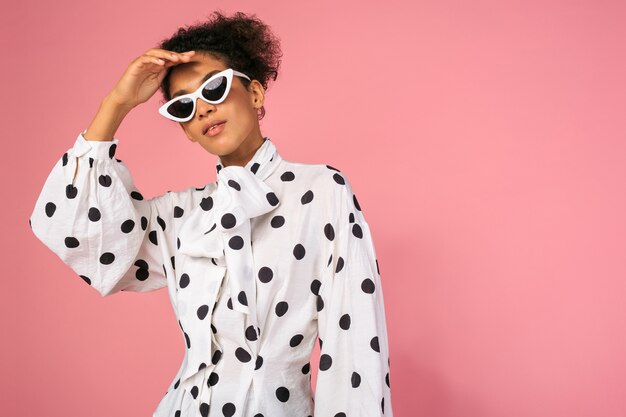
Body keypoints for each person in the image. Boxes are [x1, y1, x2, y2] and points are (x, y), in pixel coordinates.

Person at [29, 10, 393, 417]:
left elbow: (355, 348)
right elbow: (75, 231)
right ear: (185, 128)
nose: (201, 109)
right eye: (183, 106)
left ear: (255, 93)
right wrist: (116, 103)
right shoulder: (182, 215)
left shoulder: (322, 191)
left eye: (215, 88)